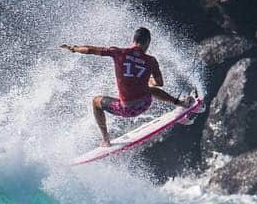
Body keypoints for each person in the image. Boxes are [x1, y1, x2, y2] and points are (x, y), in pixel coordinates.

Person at [61, 27, 193, 147]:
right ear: (148, 43)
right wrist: (149, 81)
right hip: (146, 103)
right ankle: (180, 103)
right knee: (149, 89)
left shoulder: (118, 53)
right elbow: (159, 83)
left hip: (127, 109)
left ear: (133, 40)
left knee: (96, 101)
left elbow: (91, 50)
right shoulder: (151, 60)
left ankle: (106, 140)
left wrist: (75, 48)